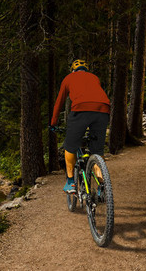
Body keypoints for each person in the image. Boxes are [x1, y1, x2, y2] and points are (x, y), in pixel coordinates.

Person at [50, 59, 110, 193]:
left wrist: (53, 123)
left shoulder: (68, 78)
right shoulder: (94, 78)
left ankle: (71, 182)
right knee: (97, 151)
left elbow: (59, 102)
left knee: (70, 146)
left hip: (81, 110)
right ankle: (102, 184)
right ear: (86, 70)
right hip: (103, 110)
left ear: (73, 70)